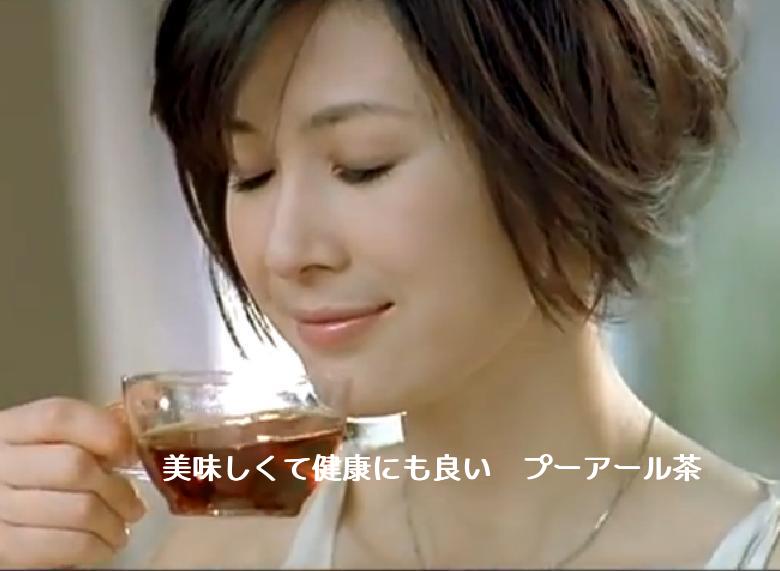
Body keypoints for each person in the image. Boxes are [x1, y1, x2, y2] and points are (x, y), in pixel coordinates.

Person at [0, 0, 777, 568]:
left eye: (362, 164)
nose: (285, 250)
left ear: (568, 158)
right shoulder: (236, 552)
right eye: (251, 173)